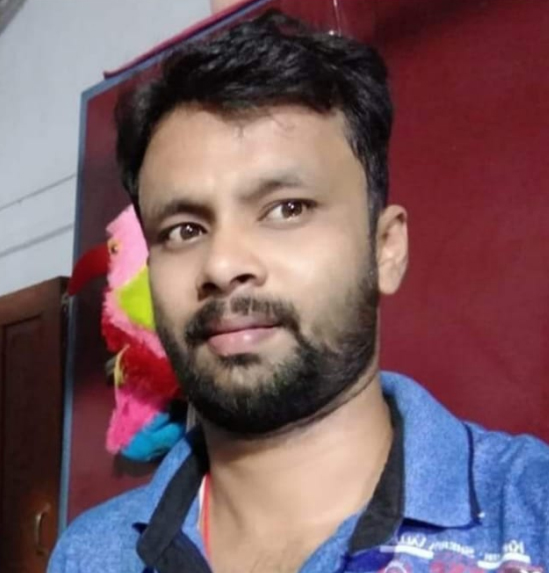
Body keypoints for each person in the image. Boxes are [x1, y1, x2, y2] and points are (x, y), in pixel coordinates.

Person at [48, 10, 549, 573]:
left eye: (287, 209)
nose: (223, 264)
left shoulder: (531, 513)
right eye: (184, 230)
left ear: (386, 248)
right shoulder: (91, 555)